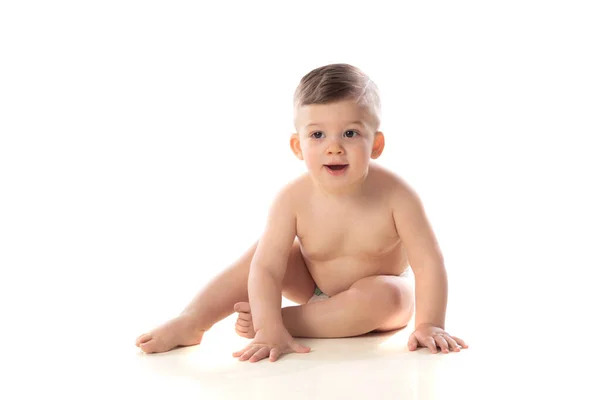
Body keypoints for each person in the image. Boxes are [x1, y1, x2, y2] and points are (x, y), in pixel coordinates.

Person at [135, 63, 468, 362]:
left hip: (378, 300)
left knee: (390, 295)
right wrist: (267, 327)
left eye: (350, 133)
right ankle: (193, 321)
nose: (333, 146)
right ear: (298, 146)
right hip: (313, 287)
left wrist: (429, 324)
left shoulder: (398, 196)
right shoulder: (292, 199)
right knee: (262, 255)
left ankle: (284, 320)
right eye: (317, 134)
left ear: (376, 144)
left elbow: (428, 262)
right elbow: (266, 270)